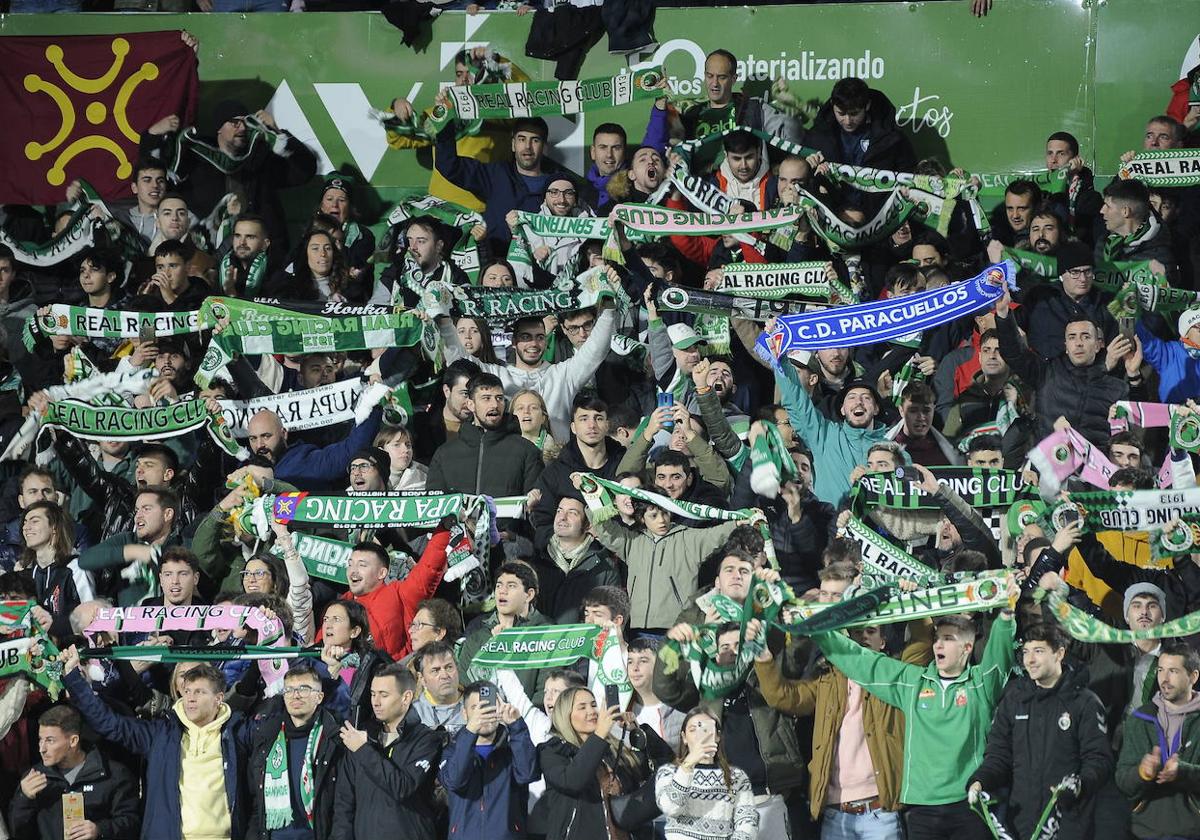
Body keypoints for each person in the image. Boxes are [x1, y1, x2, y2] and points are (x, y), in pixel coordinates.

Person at [810, 578, 1019, 840]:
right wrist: (818, 629)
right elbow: (863, 663)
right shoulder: (913, 683)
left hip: (969, 803)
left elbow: (1000, 655)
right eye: (937, 639)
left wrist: (1006, 616)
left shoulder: (981, 684)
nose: (938, 645)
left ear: (967, 648)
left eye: (947, 639)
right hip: (922, 808)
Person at [754, 612, 933, 838]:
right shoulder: (828, 681)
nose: (863, 637)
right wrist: (763, 659)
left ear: (883, 642)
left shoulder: (896, 676)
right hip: (835, 814)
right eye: (857, 632)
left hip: (881, 812)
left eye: (871, 631)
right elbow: (782, 696)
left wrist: (910, 598)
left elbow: (924, 641)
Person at [60, 649, 253, 840]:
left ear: (218, 698)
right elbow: (109, 723)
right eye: (187, 691)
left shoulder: (238, 733)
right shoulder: (160, 734)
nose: (191, 698)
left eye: (199, 692)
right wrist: (72, 677)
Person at [968, 623, 1113, 840]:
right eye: (1026, 652)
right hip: (1020, 823)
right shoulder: (1014, 700)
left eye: (1038, 651)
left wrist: (1079, 785)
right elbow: (999, 755)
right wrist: (980, 781)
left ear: (1059, 654)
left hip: (1069, 823)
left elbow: (1099, 759)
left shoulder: (1084, 702)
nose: (1029, 660)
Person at [139, 100, 317, 251]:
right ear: (219, 128)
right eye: (234, 122)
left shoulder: (262, 159)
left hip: (263, 254)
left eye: (245, 122)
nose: (242, 127)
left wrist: (276, 132)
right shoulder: (194, 158)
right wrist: (153, 134)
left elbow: (304, 171)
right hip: (208, 254)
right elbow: (154, 174)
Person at [332, 663, 442, 840]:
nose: (375, 702)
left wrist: (363, 749)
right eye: (373, 694)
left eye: (384, 695)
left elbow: (402, 787)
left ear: (406, 698)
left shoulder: (426, 740)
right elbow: (344, 805)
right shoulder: (360, 738)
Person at [8, 704, 141, 840]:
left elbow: (132, 824)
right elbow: (17, 833)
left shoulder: (114, 775)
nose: (42, 749)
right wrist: (24, 800)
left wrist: (100, 830)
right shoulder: (33, 777)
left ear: (73, 741)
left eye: (50, 740)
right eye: (40, 740)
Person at [537, 685, 651, 840]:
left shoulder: (609, 747)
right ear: (566, 715)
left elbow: (642, 773)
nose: (591, 711)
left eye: (593, 705)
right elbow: (573, 780)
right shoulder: (552, 751)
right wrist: (600, 735)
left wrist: (635, 733)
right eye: (582, 707)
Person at [245, 662, 343, 840]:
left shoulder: (333, 739)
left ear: (319, 697)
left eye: (304, 689)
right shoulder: (267, 737)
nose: (295, 695)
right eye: (289, 690)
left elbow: (343, 807)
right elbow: (256, 802)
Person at [1116, 641, 1200, 840]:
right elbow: (1122, 781)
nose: (1164, 678)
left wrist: (1183, 772)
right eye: (1161, 669)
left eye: (1173, 671)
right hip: (1144, 832)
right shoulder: (1140, 718)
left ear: (1193, 676)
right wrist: (1142, 773)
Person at [439, 681, 540, 840]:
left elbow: (528, 774)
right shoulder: (451, 750)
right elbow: (454, 781)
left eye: (489, 706)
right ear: (465, 714)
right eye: (476, 708)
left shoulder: (513, 747)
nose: (484, 714)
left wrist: (516, 724)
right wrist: (470, 732)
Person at [425, 373, 545, 498]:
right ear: (471, 405)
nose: (494, 405)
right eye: (486, 398)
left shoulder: (527, 451)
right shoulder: (444, 454)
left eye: (499, 398)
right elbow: (434, 505)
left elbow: (538, 505)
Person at [333, 534, 450, 662]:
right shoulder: (338, 607)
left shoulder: (398, 593)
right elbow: (321, 648)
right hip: (353, 678)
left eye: (362, 565)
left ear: (382, 573)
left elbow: (429, 569)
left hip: (400, 674)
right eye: (350, 564)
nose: (353, 571)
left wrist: (443, 530)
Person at [654, 708, 758, 840]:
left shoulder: (736, 776)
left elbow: (747, 820)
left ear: (717, 736)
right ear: (684, 737)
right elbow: (670, 808)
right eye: (693, 730)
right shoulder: (668, 772)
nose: (700, 735)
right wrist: (688, 765)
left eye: (706, 729)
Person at [529, 496, 621, 624]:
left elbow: (612, 616)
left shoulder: (604, 567)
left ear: (588, 524)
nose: (562, 517)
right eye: (559, 511)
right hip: (542, 641)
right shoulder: (537, 562)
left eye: (572, 513)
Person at [412, 641, 466, 736]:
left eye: (449, 667)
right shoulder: (412, 715)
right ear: (422, 678)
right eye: (435, 671)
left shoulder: (478, 704)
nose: (444, 675)